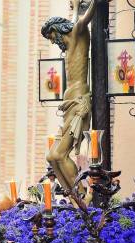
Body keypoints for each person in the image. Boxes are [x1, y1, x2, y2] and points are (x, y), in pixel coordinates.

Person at [40, 0, 106, 193]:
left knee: (60, 154)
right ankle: (72, 197)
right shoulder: (69, 45)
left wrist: (91, 4)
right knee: (52, 157)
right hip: (70, 103)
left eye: (51, 36)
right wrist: (76, 8)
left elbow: (83, 20)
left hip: (79, 102)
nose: (52, 41)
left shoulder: (77, 33)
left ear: (58, 29)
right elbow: (76, 18)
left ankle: (83, 195)